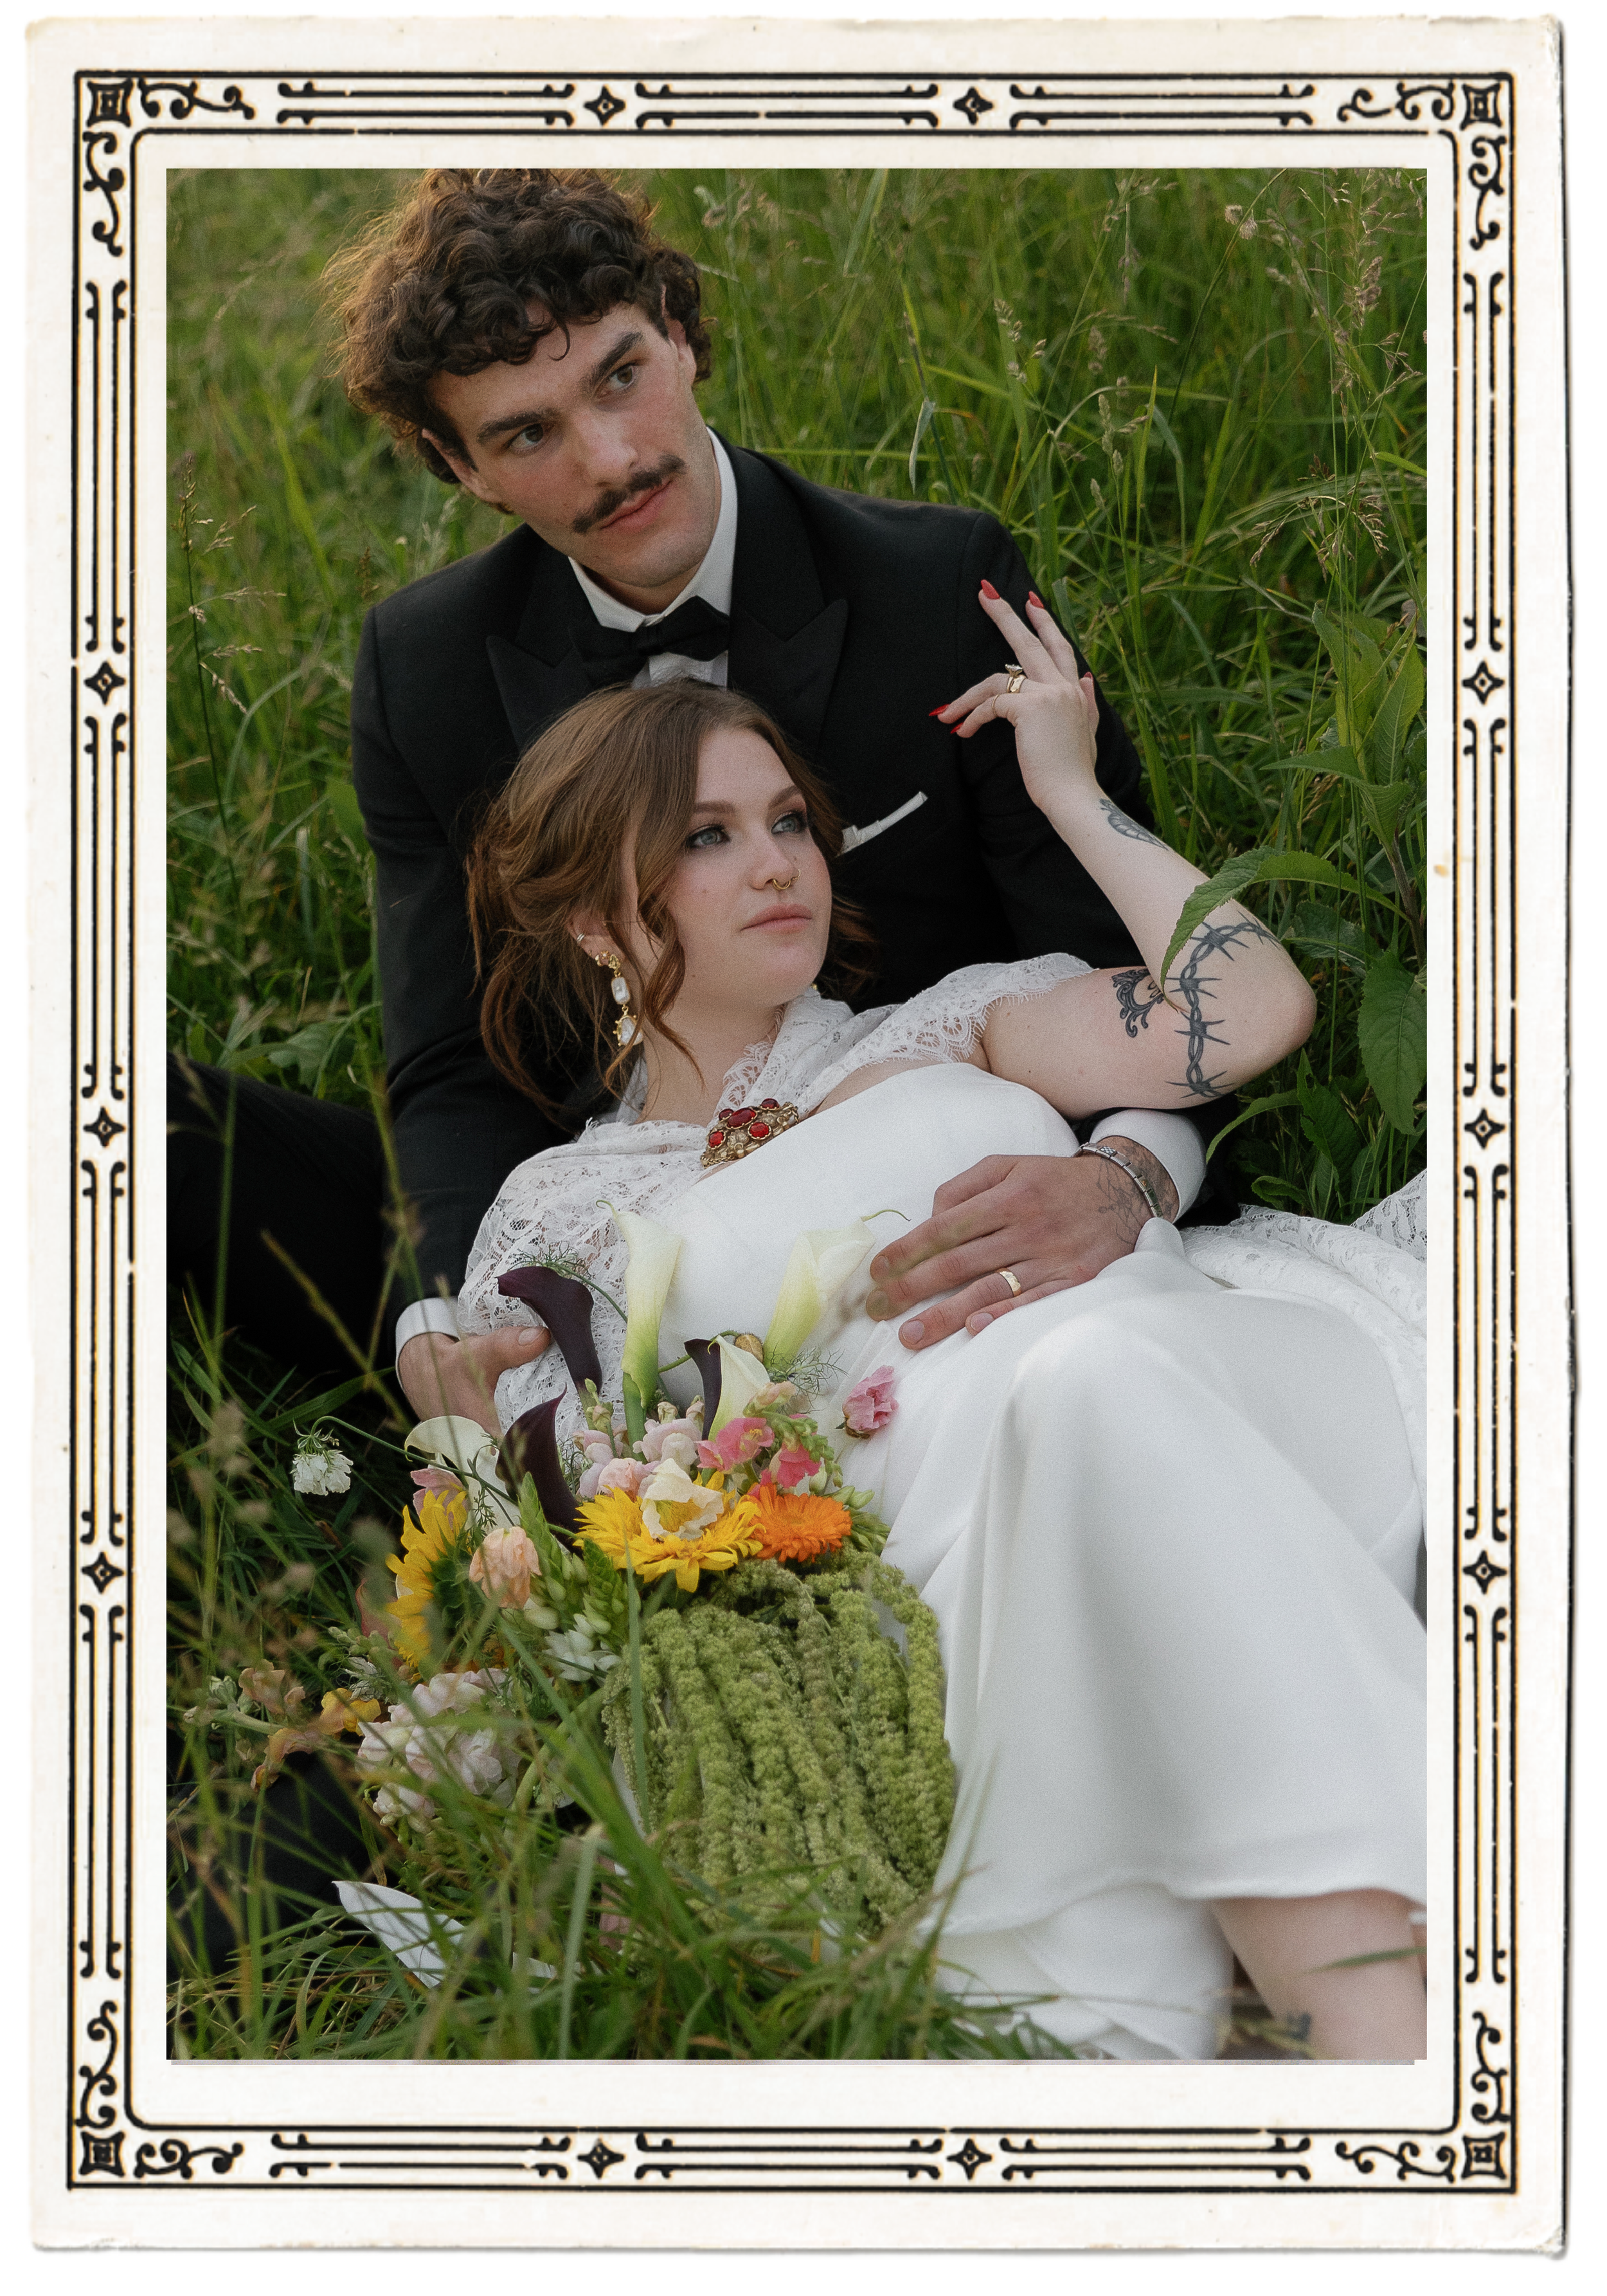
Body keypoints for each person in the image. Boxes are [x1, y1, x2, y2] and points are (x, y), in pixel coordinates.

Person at [451, 599, 1428, 2064]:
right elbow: (569, 1533)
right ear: (597, 915)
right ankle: (1400, 2052)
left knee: (1107, 1361)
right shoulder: (555, 1215)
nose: (776, 859)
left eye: (785, 817)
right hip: (976, 1540)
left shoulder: (941, 1023)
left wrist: (1066, 788)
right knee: (1077, 1384)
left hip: (1228, 1381)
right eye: (706, 837)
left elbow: (1258, 1007)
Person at [167, 166, 1225, 1416]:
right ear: (460, 468)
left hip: (919, 1186)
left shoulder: (937, 584)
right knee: (132, 1120)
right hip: (611, 1198)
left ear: (678, 326)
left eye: (618, 374)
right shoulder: (425, 668)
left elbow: (1125, 960)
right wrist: (441, 1318)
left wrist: (1122, 1180)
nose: (609, 458)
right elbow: (450, 1060)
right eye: (527, 433)